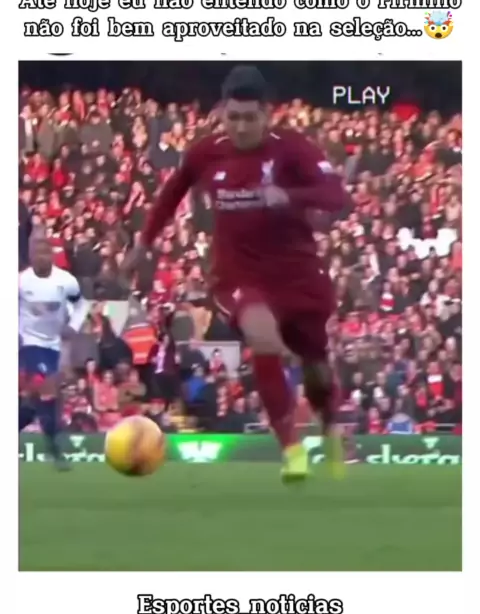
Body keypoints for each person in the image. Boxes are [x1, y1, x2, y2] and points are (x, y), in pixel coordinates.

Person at [124, 66, 350, 482]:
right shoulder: (206, 152)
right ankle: (292, 450)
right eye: (233, 117)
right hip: (239, 274)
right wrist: (144, 242)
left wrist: (290, 196)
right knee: (262, 336)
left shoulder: (293, 148)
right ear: (222, 114)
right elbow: (172, 192)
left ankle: (331, 425)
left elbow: (335, 195)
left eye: (250, 118)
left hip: (297, 273)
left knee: (316, 365)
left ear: (267, 114)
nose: (241, 127)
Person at [19, 232, 88, 469]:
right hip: (29, 343)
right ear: (30, 256)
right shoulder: (21, 281)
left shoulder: (66, 281)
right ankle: (55, 448)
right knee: (47, 389)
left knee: (34, 402)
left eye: (44, 251)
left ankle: (45, 438)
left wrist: (73, 326)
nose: (40, 256)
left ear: (51, 254)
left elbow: (81, 305)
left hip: (54, 345)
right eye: (36, 252)